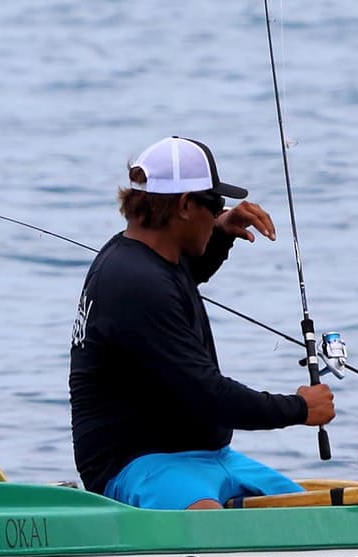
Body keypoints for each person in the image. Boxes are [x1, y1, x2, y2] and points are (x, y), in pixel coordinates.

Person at [69, 135, 335, 510]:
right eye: (213, 205)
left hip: (209, 457)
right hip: (137, 464)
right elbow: (209, 395)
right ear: (184, 205)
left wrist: (221, 233)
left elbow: (182, 275)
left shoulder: (147, 255)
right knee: (212, 523)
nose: (218, 213)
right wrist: (299, 408)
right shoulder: (135, 283)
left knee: (313, 513)